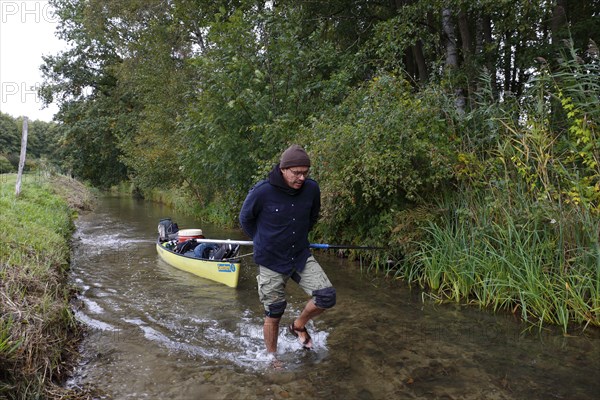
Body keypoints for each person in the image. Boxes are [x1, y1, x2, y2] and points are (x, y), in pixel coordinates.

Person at [239, 144, 336, 356]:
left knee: (326, 296)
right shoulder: (262, 191)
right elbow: (245, 219)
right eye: (296, 173)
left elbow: (312, 216)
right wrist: (262, 239)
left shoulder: (311, 189)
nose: (301, 178)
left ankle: (298, 326)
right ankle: (272, 357)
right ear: (283, 169)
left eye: (305, 172)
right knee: (274, 311)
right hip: (271, 259)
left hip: (300, 255)